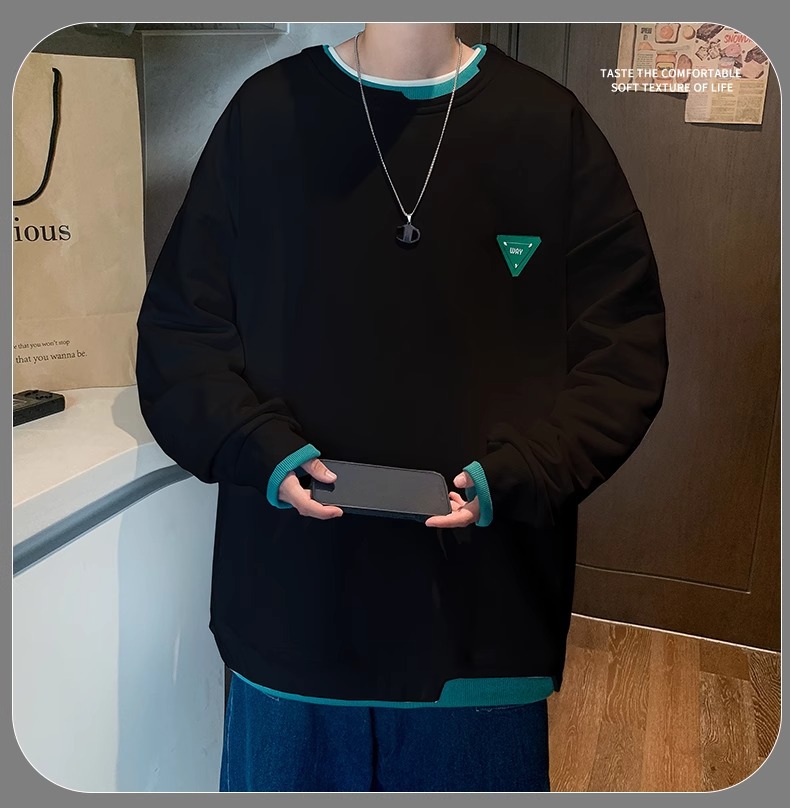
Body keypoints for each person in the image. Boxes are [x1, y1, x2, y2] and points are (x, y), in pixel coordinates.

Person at [135, 22, 669, 792]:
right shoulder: (265, 116)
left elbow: (624, 351)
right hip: (294, 620)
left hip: (483, 629)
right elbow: (181, 335)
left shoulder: (550, 128)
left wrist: (526, 471)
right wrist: (255, 445)